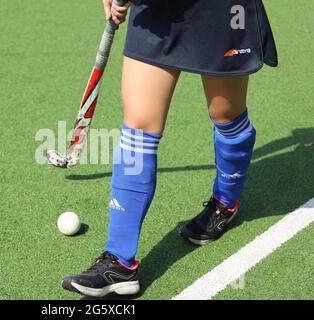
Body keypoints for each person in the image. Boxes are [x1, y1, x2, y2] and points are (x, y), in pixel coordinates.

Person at [62, 0, 278, 297]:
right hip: (157, 10)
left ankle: (225, 203)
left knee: (226, 116)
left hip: (220, 10)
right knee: (138, 126)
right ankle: (118, 262)